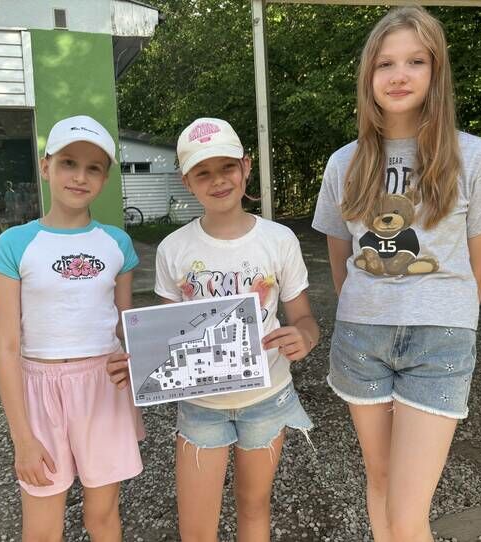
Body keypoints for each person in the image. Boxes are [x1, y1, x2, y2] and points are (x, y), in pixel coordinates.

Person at [312, 7, 481, 541]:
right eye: (385, 63)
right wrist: (369, 306)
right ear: (368, 76)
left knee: (407, 515)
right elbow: (341, 259)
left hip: (440, 339)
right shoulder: (343, 163)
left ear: (436, 70)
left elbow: (478, 264)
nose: (399, 75)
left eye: (415, 61)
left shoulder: (475, 156)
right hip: (362, 337)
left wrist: (449, 316)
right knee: (379, 481)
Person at [155, 118, 319, 541]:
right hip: (201, 405)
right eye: (202, 172)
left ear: (246, 166)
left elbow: (304, 318)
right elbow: (165, 338)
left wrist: (304, 337)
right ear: (186, 181)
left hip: (268, 398)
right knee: (196, 526)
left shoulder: (279, 240)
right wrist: (140, 359)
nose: (217, 180)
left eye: (227, 166)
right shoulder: (173, 249)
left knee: (254, 507)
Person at [0, 115, 144, 542]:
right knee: (42, 526)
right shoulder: (14, 244)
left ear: (105, 178)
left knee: (103, 517)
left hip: (103, 387)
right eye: (68, 163)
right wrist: (22, 437)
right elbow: (6, 346)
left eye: (94, 168)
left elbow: (125, 326)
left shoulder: (117, 244)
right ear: (46, 167)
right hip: (39, 389)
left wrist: (143, 362)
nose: (80, 176)